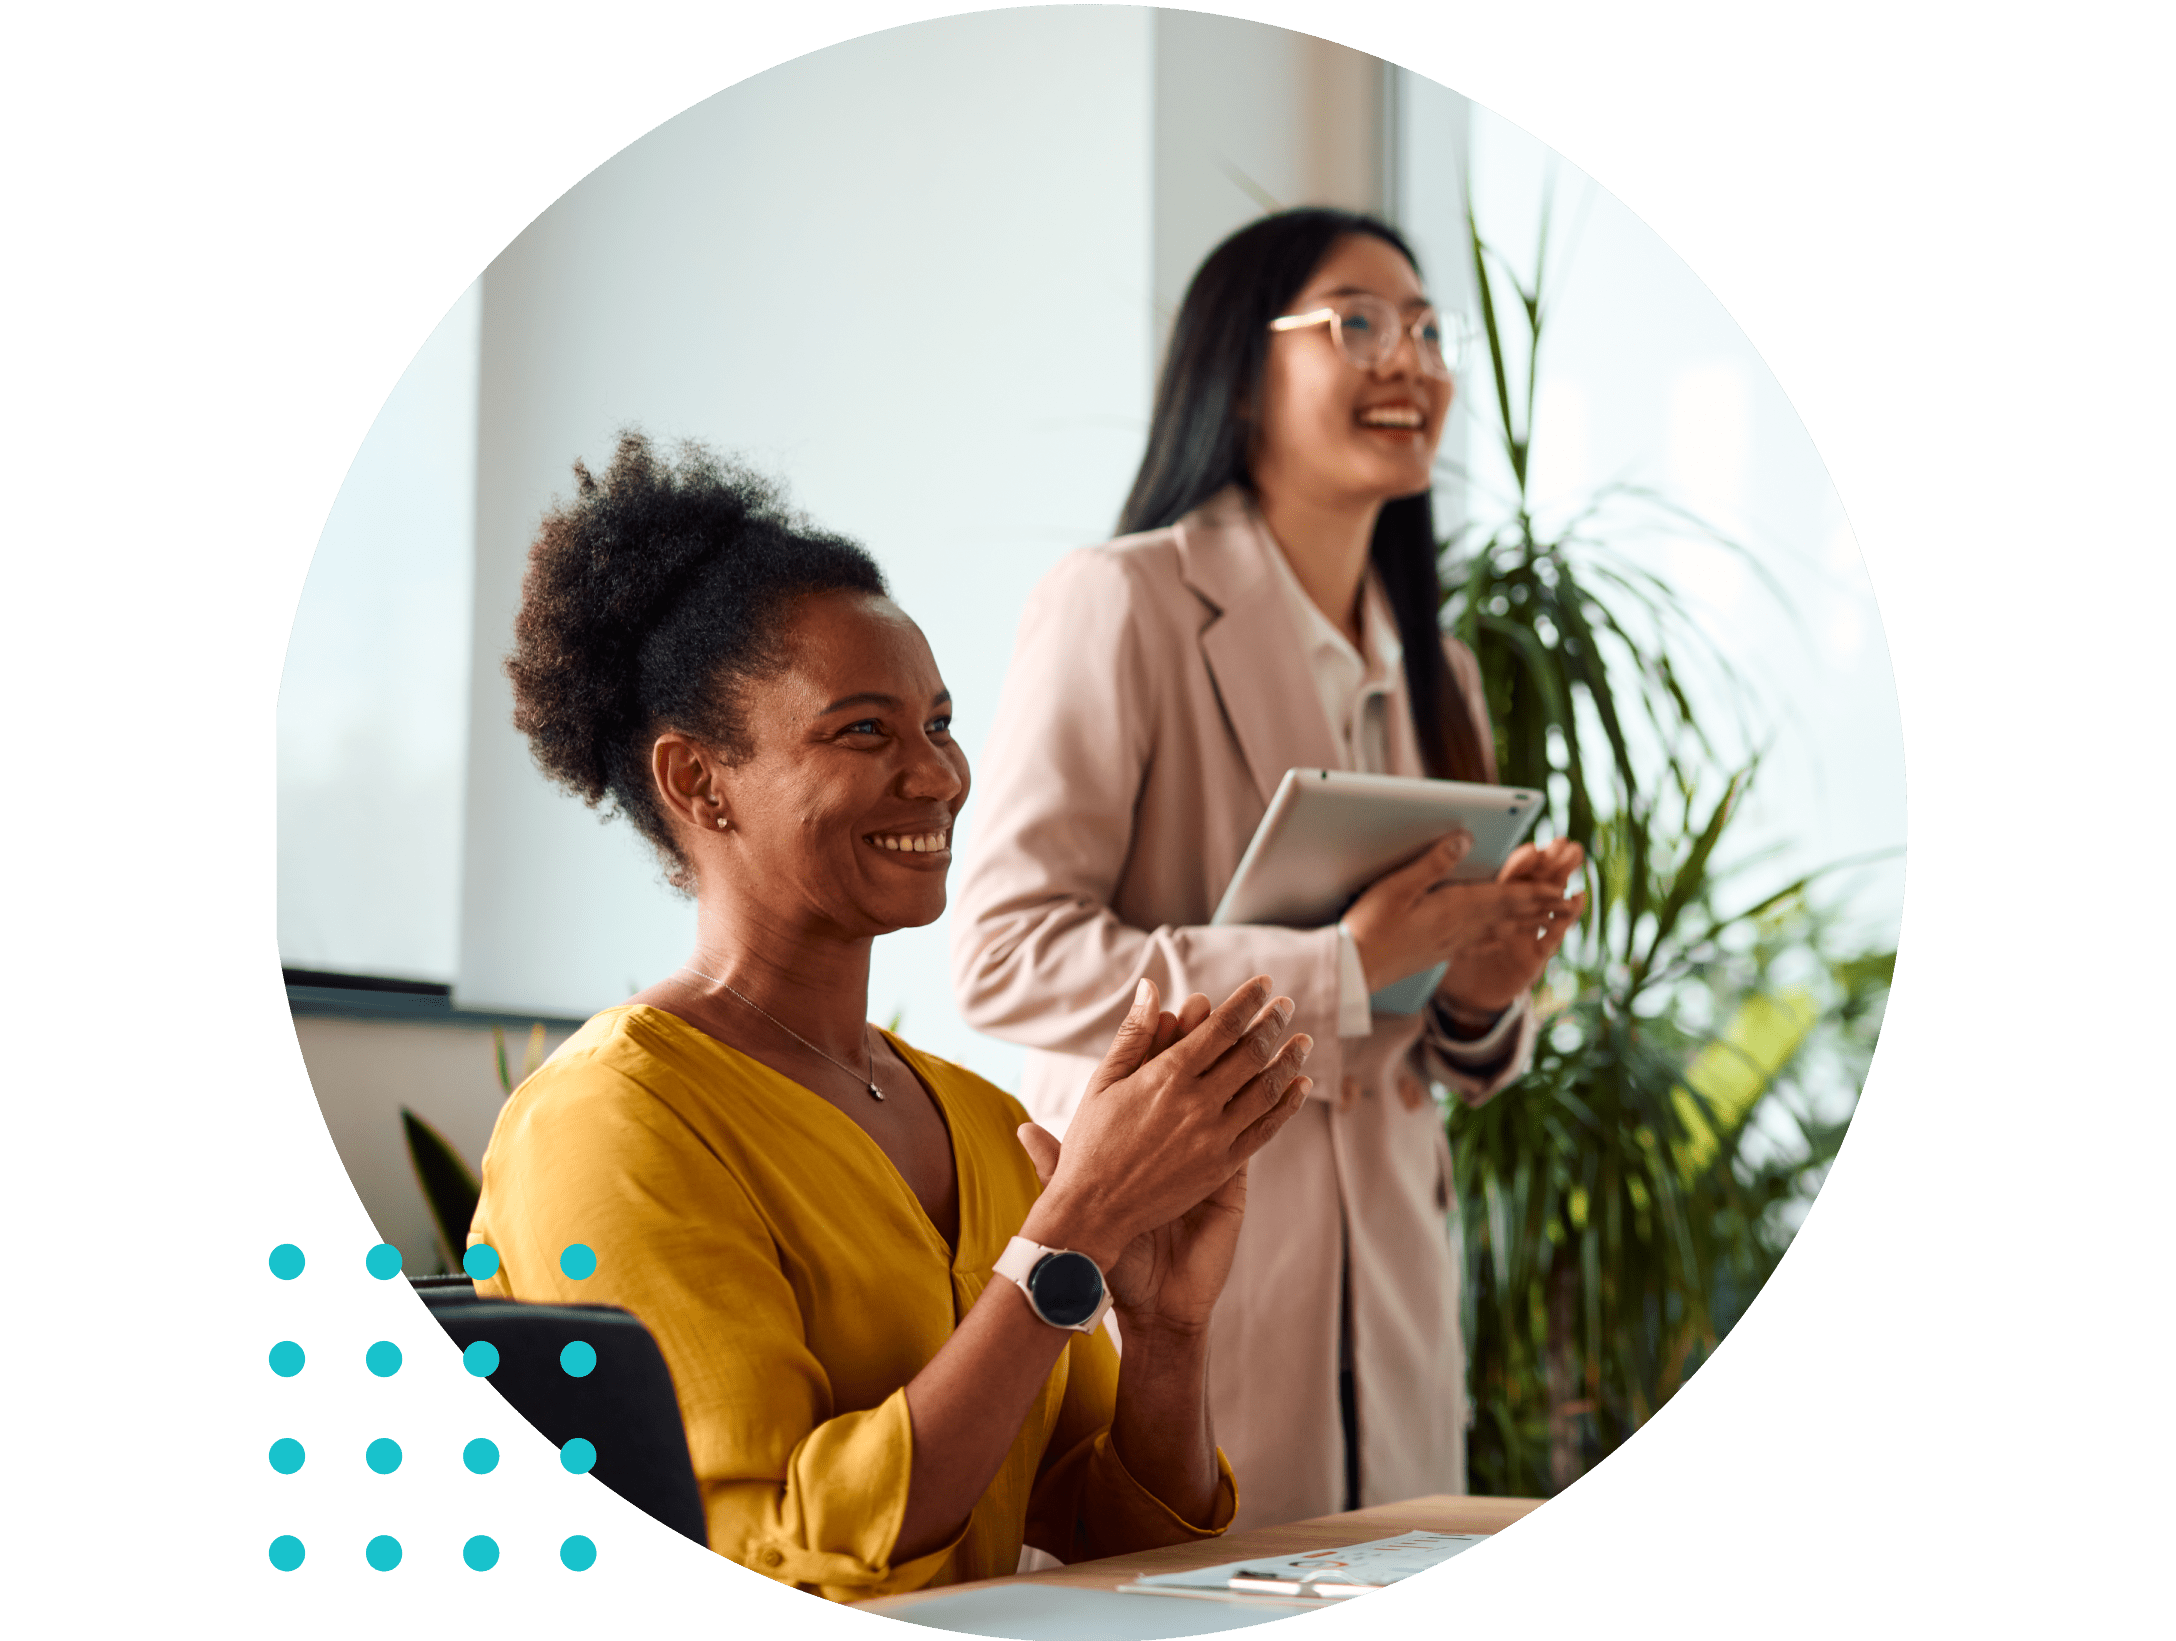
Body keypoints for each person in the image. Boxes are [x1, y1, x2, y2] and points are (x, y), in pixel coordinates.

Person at [465, 434, 1317, 1600]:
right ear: (697, 781)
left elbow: (1119, 1542)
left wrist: (1165, 1332)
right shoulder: (610, 1120)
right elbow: (766, 1557)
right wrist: (1070, 1235)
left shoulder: (979, 1119)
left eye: (940, 724)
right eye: (863, 730)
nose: (938, 775)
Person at [949, 209, 1587, 1528]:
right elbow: (1006, 955)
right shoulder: (1122, 599)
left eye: (1426, 330)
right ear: (1241, 373)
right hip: (1175, 1268)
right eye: (1356, 322)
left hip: (1389, 1290)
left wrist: (1477, 990)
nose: (1406, 358)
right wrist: (1338, 965)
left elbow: (1417, 1042)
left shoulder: (1439, 666)